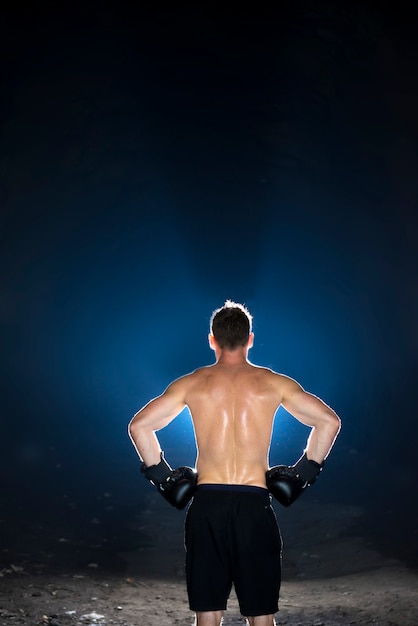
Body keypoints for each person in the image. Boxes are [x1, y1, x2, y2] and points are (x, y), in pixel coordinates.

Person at [128, 300, 341, 626]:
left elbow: (139, 426)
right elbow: (328, 421)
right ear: (250, 339)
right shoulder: (273, 383)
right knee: (261, 616)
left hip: (207, 505)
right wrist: (303, 473)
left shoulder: (191, 383)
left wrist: (164, 478)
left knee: (208, 616)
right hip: (254, 506)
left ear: (212, 340)